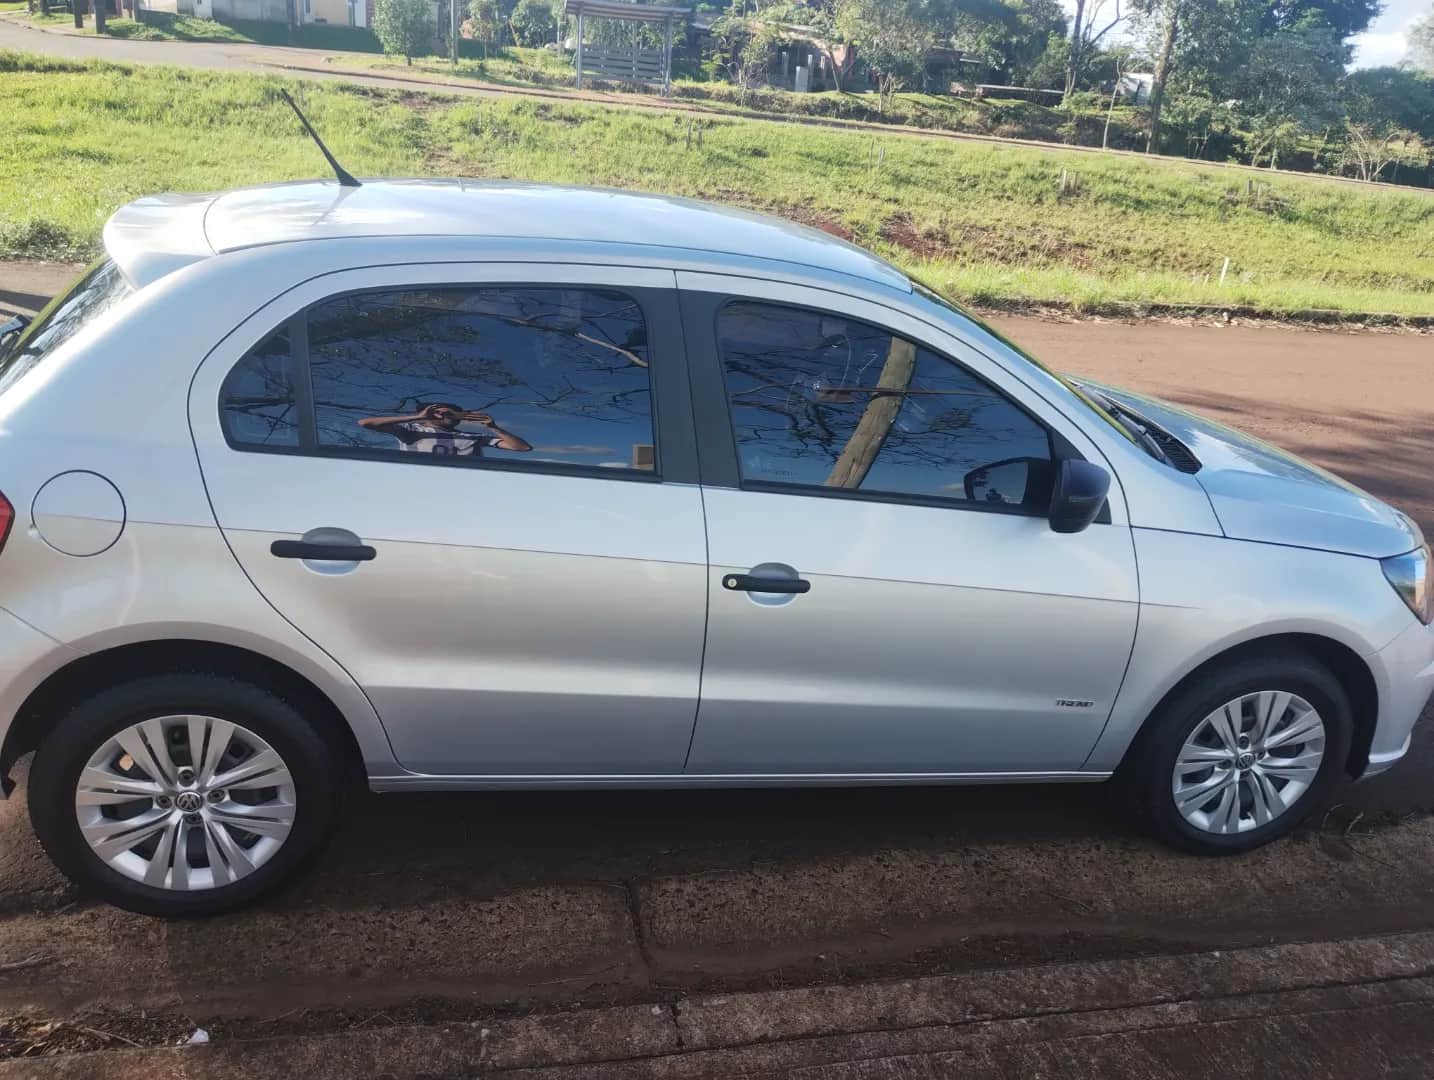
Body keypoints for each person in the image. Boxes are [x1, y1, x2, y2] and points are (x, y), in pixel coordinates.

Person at [357, 402, 532, 457]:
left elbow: (522, 448)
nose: (444, 415)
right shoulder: (409, 429)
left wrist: (494, 428)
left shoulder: (475, 436)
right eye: (437, 412)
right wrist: (419, 416)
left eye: (450, 413)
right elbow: (366, 423)